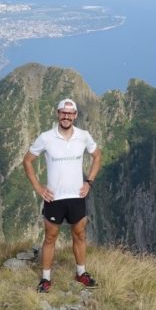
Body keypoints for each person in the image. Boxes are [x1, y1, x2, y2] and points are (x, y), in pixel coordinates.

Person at [23, 97, 102, 293]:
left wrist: (89, 182)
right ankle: (45, 279)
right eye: (63, 112)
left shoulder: (83, 136)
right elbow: (27, 161)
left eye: (70, 113)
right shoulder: (46, 137)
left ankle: (81, 273)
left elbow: (97, 156)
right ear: (58, 114)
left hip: (77, 196)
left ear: (75, 115)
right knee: (50, 238)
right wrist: (39, 188)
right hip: (54, 198)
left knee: (79, 235)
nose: (66, 116)